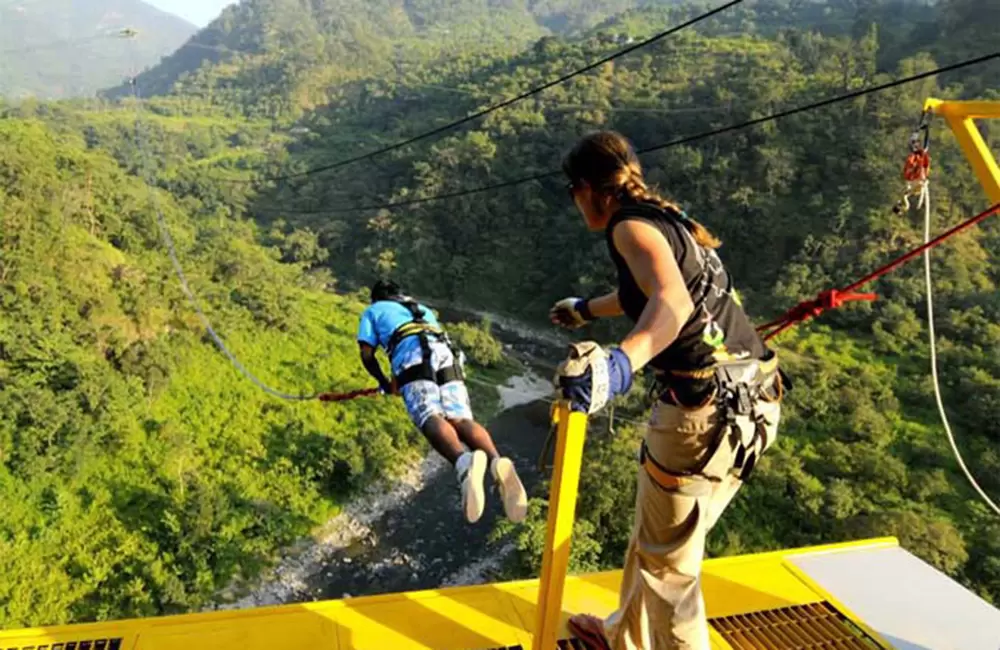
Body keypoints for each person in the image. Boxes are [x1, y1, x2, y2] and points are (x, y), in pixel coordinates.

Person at [549, 131, 786, 650]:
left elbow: (672, 306)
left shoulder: (628, 227)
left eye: (573, 191)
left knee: (669, 571)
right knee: (659, 544)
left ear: (586, 188)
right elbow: (650, 291)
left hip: (702, 415)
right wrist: (586, 309)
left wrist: (618, 366)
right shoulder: (668, 221)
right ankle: (624, 638)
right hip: (756, 399)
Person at [357, 279, 528, 525]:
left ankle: (463, 462)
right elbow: (415, 338)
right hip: (446, 356)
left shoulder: (373, 311)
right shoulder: (420, 308)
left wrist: (384, 382)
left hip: (412, 356)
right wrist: (397, 380)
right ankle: (496, 460)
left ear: (376, 298)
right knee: (460, 419)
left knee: (430, 416)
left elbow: (368, 354)